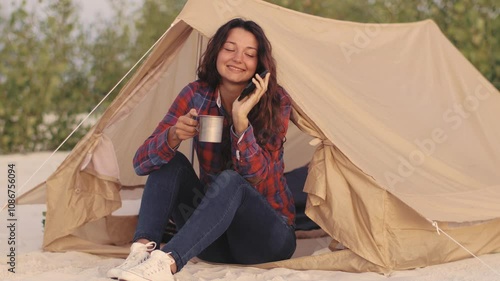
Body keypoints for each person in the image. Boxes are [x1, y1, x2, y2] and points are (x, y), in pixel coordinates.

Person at [107, 18, 296, 281]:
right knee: (169, 161)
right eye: (230, 49)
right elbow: (142, 164)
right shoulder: (197, 94)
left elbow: (256, 177)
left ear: (259, 63)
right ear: (217, 51)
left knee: (230, 180)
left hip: (267, 241)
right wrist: (172, 136)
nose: (238, 58)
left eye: (249, 54)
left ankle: (168, 264)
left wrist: (241, 121)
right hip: (213, 239)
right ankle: (142, 253)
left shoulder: (276, 101)